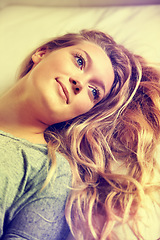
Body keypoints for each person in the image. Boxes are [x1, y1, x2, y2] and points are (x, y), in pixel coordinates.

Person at [0, 29, 160, 240]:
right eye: (79, 61)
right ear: (42, 53)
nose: (80, 83)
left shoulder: (51, 172)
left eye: (94, 91)